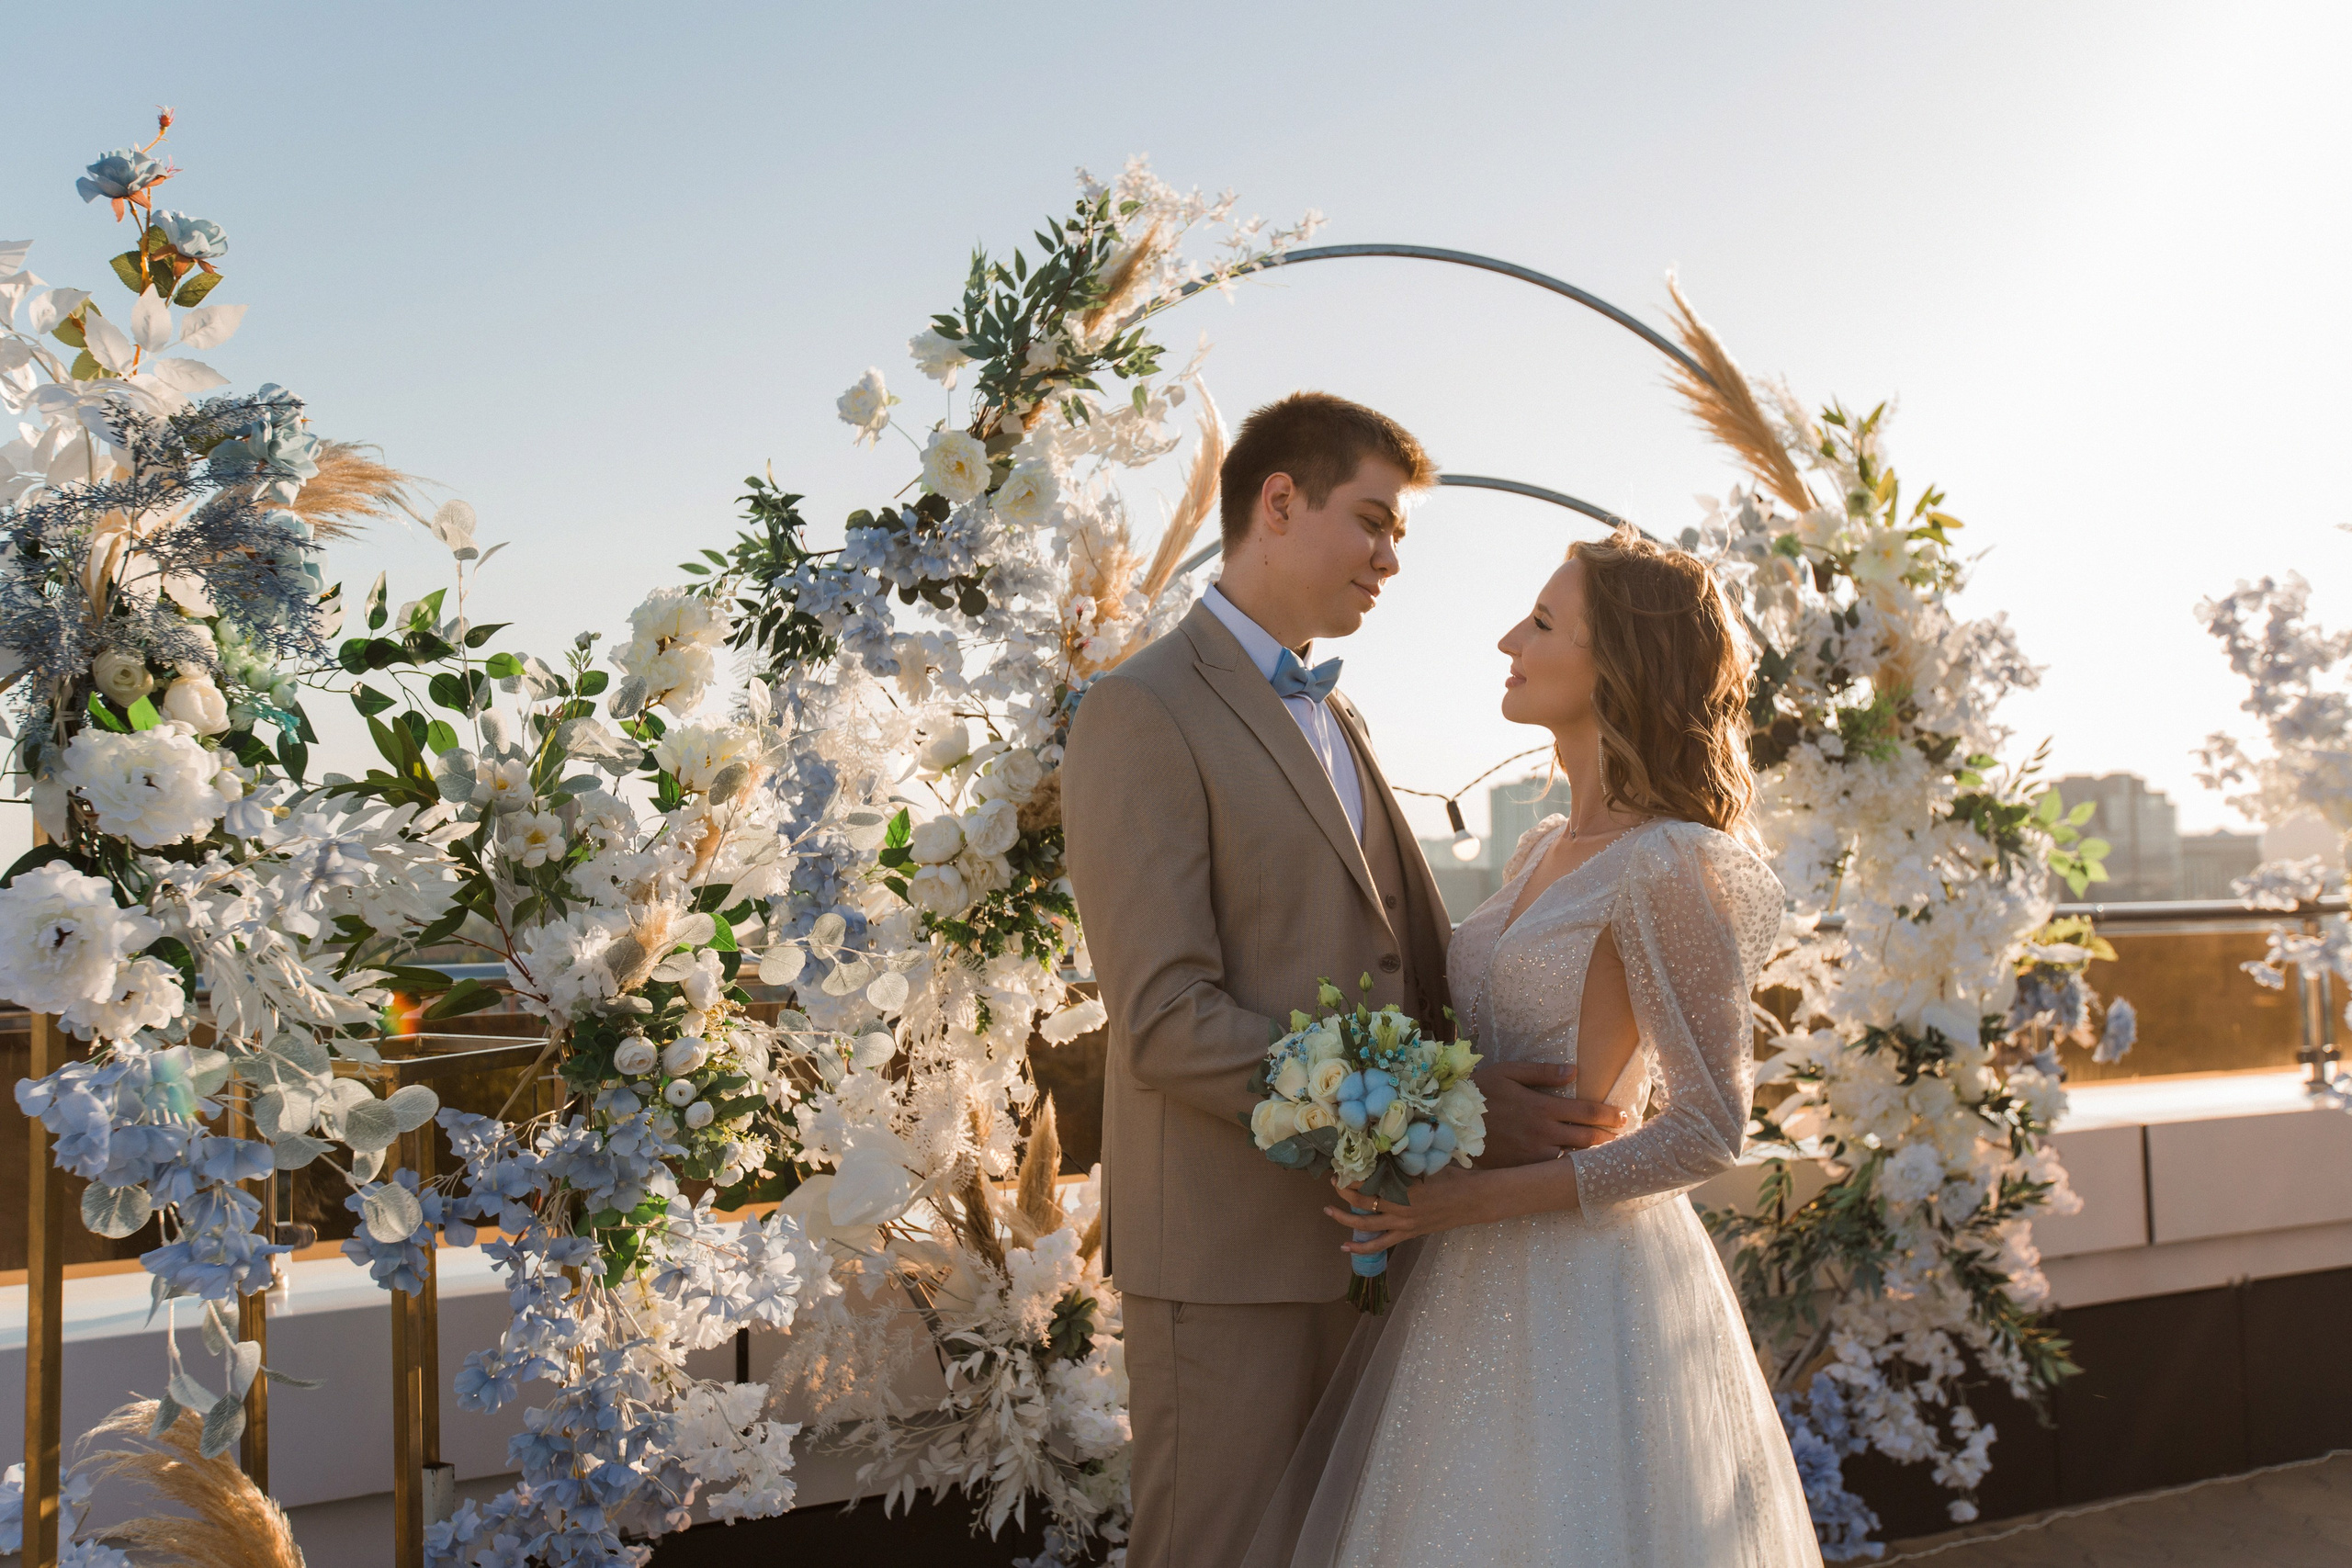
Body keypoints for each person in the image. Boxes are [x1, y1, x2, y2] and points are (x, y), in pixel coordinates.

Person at [1061, 393, 1631, 1568]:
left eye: (1400, 538)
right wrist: (1444, 1115)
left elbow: (1396, 961)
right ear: (1278, 502)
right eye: (1373, 523)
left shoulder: (1342, 713)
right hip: (1230, 1260)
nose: (1389, 560)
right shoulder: (1138, 712)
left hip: (1386, 1243)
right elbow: (1166, 1020)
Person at [1257, 530, 1823, 1566]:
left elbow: (1707, 1131)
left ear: (1621, 667)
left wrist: (1468, 1198)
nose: (1510, 637)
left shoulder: (1671, 864)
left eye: (1545, 623)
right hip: (1465, 1277)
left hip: (1587, 1286)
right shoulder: (1533, 849)